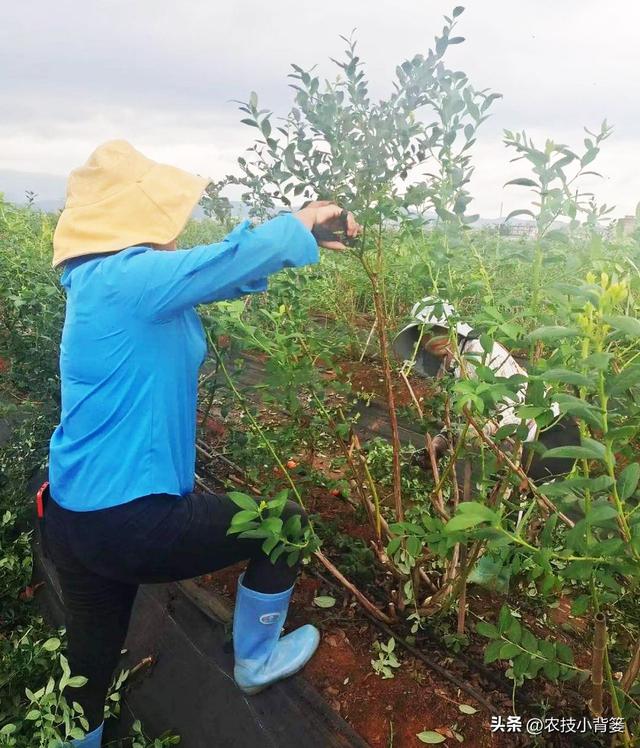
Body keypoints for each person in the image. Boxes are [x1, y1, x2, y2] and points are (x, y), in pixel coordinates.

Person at [40, 140, 360, 748]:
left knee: (91, 653)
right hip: (132, 518)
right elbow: (221, 263)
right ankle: (255, 661)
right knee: (283, 526)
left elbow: (206, 274)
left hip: (73, 515)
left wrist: (279, 249)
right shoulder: (130, 281)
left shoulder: (95, 281)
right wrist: (304, 221)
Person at [393, 297, 580, 483]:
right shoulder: (448, 369)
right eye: (426, 332)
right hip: (520, 441)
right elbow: (463, 415)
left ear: (452, 328)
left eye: (439, 329)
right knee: (503, 490)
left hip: (551, 433)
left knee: (522, 497)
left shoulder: (480, 351)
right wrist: (440, 443)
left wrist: (486, 427)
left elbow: (515, 408)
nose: (433, 337)